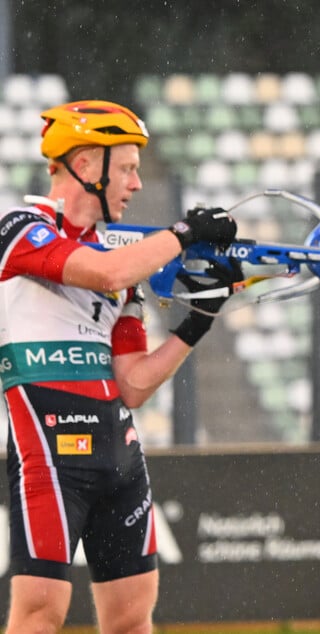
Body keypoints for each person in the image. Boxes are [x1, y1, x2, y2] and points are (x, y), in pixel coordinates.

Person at [0, 100, 240, 633]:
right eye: (127, 168)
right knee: (40, 614)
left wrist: (197, 323)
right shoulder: (19, 227)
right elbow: (104, 273)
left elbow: (132, 384)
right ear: (86, 165)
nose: (134, 183)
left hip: (121, 457)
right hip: (51, 460)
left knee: (132, 620)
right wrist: (182, 233)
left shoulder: (122, 258)